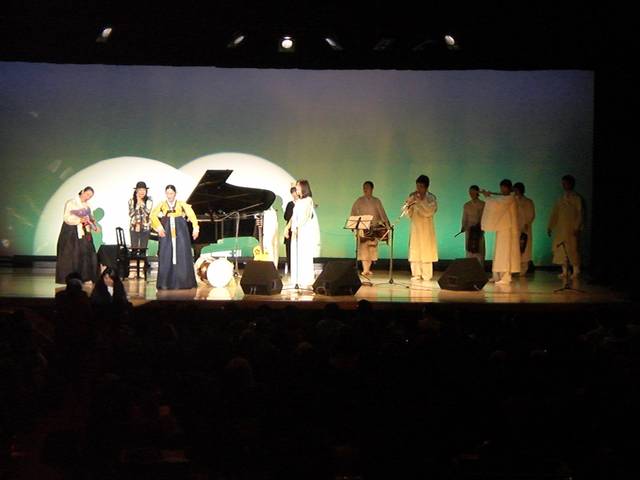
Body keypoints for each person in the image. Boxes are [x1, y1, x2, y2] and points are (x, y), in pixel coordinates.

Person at [150, 185, 199, 289]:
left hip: (180, 229)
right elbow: (153, 215)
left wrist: (195, 227)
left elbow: (191, 214)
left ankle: (184, 282)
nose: (169, 196)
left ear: (175, 193)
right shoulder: (162, 204)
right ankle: (165, 282)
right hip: (166, 230)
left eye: (171, 193)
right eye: (167, 193)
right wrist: (159, 227)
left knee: (182, 252)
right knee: (166, 253)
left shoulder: (181, 204)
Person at [55, 186, 100, 284]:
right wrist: (79, 220)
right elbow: (66, 218)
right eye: (87, 194)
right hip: (71, 231)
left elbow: (90, 219)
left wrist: (93, 225)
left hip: (84, 231)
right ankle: (71, 278)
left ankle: (86, 277)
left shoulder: (87, 206)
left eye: (90, 196)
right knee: (73, 255)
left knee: (87, 253)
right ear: (83, 191)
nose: (88, 197)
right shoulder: (71, 203)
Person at [481, 179, 520, 285]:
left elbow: (498, 204)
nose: (502, 190)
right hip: (503, 228)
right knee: (499, 252)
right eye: (501, 188)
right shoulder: (506, 198)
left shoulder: (510, 198)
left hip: (508, 229)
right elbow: (498, 201)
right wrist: (489, 196)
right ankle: (497, 276)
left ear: (508, 188)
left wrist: (488, 197)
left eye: (504, 188)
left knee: (505, 253)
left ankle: (506, 277)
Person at [350, 181, 390, 276]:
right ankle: (365, 269)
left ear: (372, 189)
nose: (365, 189)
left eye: (367, 187)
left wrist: (387, 225)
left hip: (373, 227)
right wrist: (353, 225)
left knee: (372, 248)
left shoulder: (376, 201)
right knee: (363, 248)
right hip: (363, 227)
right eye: (364, 187)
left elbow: (382, 213)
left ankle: (368, 268)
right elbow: (353, 212)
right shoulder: (359, 200)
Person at [547, 174, 584, 279]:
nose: (564, 185)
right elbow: (555, 213)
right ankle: (565, 271)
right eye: (563, 183)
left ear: (571, 184)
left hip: (571, 228)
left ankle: (576, 270)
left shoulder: (577, 198)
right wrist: (550, 226)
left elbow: (580, 213)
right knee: (561, 250)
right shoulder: (560, 199)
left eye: (566, 183)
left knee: (573, 249)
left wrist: (577, 227)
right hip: (561, 228)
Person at [404, 175, 438, 281]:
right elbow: (407, 213)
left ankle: (426, 274)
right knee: (415, 249)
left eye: (421, 186)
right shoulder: (413, 196)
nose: (418, 189)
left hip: (426, 228)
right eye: (417, 186)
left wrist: (420, 203)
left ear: (426, 187)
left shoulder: (431, 198)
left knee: (426, 250)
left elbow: (429, 211)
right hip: (416, 227)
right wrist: (408, 205)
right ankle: (416, 274)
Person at [288, 180, 320, 288]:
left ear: (303, 188)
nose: (296, 189)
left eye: (298, 187)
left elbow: (305, 216)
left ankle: (305, 279)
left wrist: (297, 226)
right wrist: (291, 227)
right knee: (296, 254)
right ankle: (296, 279)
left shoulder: (308, 200)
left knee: (304, 254)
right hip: (296, 231)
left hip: (303, 231)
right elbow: (294, 216)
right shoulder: (298, 201)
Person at [513, 182, 536, 274]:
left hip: (525, 227)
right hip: (515, 227)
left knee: (525, 247)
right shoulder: (513, 201)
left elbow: (531, 214)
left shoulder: (528, 201)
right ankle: (516, 267)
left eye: (516, 190)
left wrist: (527, 223)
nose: (515, 192)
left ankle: (524, 268)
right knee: (516, 248)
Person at [461, 185, 485, 265]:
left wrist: (480, 226)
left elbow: (484, 217)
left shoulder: (482, 204)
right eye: (470, 192)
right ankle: (470, 267)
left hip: (478, 230)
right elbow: (464, 217)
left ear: (477, 192)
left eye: (473, 192)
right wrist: (463, 226)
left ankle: (479, 267)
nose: (471, 194)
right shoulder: (467, 205)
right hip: (469, 230)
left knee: (479, 249)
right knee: (469, 249)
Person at [128, 181, 153, 250]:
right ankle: (134, 257)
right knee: (134, 248)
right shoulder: (131, 200)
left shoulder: (149, 200)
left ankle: (142, 257)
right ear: (136, 191)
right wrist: (137, 205)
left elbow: (147, 212)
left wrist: (141, 202)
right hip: (134, 227)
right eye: (140, 190)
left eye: (144, 190)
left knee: (143, 249)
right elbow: (131, 214)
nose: (142, 192)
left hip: (145, 227)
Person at [283, 186, 298, 274]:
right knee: (289, 249)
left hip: (299, 229)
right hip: (290, 229)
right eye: (292, 192)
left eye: (295, 192)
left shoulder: (302, 203)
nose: (294, 194)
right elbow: (286, 217)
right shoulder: (290, 204)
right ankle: (290, 268)